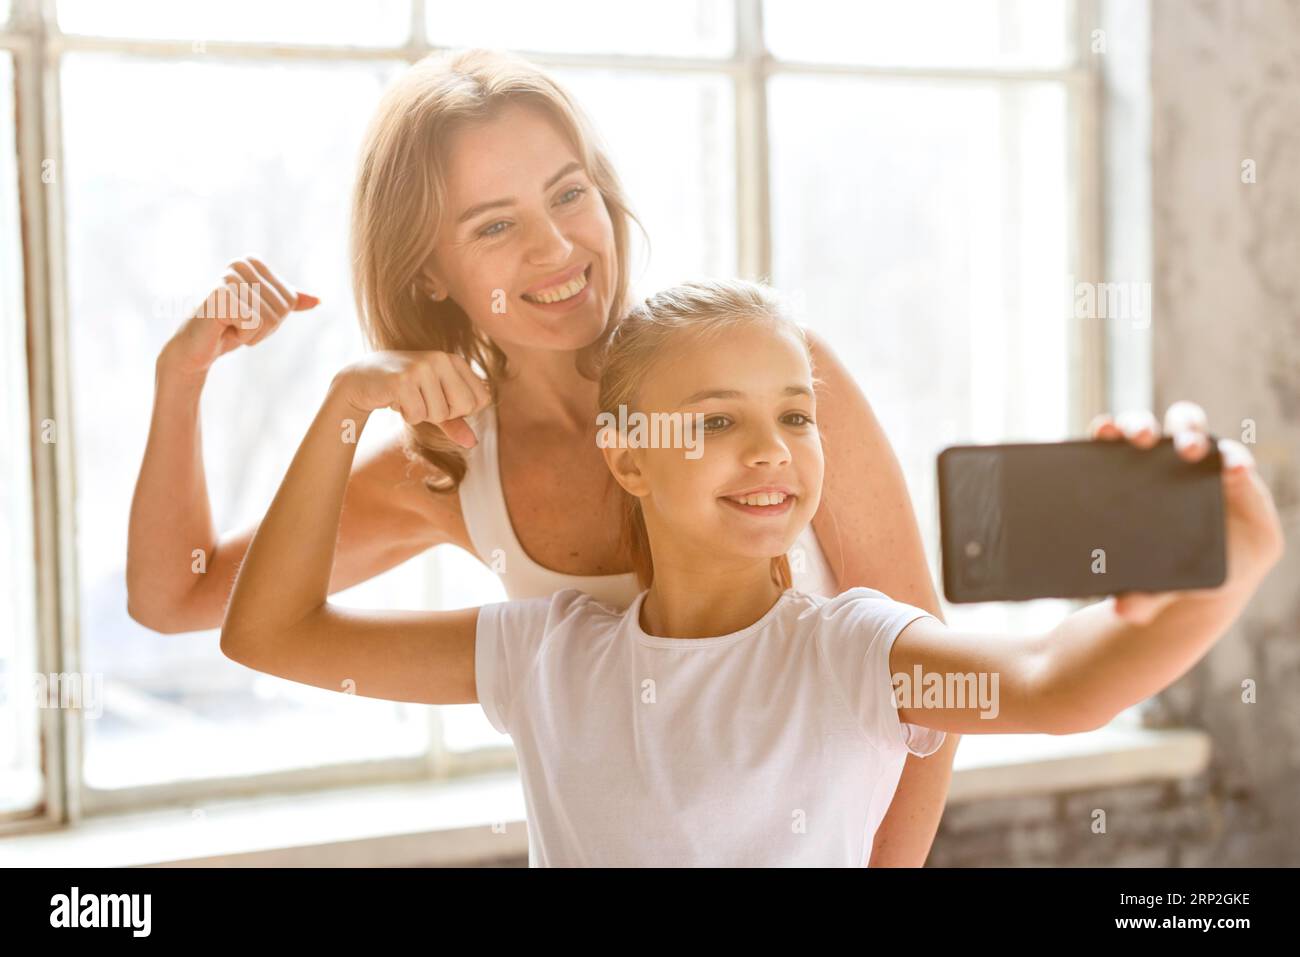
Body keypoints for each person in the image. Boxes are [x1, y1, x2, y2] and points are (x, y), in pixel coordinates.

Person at [127, 48, 960, 864]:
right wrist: (183, 378)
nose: (556, 247)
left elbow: (933, 688)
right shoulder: (449, 469)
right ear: (426, 272)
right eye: (495, 224)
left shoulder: (766, 376)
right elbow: (179, 594)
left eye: (569, 194)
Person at [218, 277, 1284, 867]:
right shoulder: (545, 654)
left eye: (795, 417)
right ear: (626, 455)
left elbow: (1059, 684)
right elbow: (269, 633)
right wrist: (348, 403)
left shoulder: (852, 650)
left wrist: (1233, 558)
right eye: (717, 421)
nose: (770, 448)